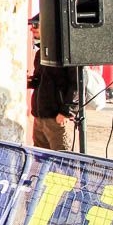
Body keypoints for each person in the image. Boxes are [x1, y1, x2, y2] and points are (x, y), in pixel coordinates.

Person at [28, 16, 77, 151]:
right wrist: (29, 81)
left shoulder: (67, 52)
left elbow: (77, 84)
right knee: (40, 159)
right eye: (32, 25)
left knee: (63, 162)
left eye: (36, 25)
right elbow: (41, 81)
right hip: (40, 117)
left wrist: (67, 112)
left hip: (57, 118)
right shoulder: (40, 53)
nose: (32, 29)